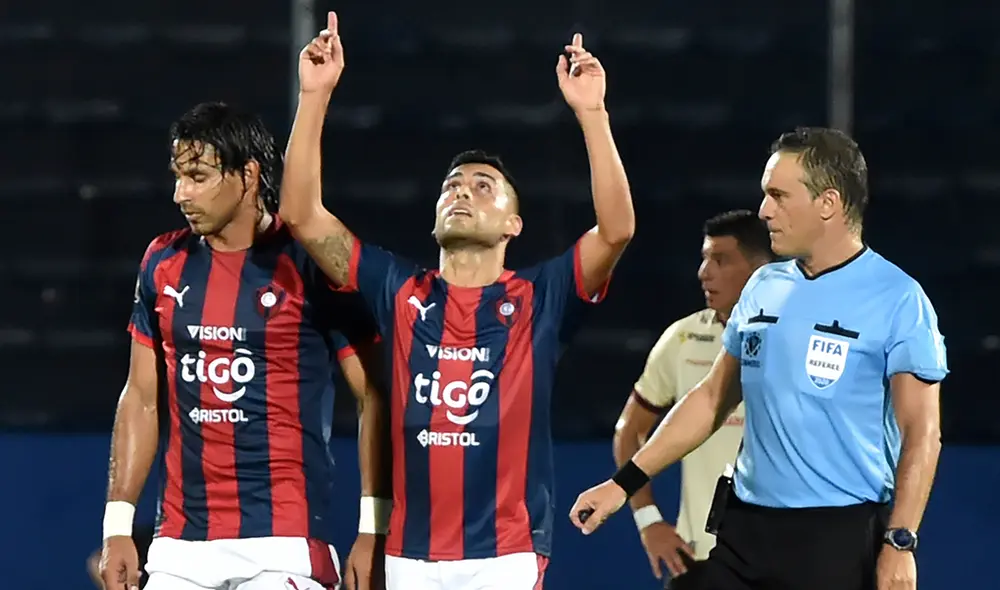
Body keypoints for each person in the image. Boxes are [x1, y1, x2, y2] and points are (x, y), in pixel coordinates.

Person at [280, 12, 634, 590]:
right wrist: (313, 96)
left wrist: (592, 115)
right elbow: (301, 216)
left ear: (513, 224)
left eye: (482, 187)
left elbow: (616, 229)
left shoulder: (540, 297)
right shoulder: (397, 289)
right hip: (409, 555)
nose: (462, 191)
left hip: (506, 555)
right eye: (452, 186)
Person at [570, 127, 948, 590]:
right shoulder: (764, 286)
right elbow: (711, 399)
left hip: (836, 540)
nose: (765, 210)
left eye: (779, 196)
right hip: (743, 533)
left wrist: (900, 542)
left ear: (828, 204)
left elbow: (922, 434)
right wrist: (623, 483)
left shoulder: (899, 299)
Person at [99, 102, 391, 590]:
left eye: (197, 176)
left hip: (284, 547)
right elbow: (142, 398)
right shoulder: (162, 261)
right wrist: (117, 527)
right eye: (177, 176)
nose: (180, 194)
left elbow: (374, 394)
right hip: (179, 549)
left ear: (248, 174)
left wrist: (372, 526)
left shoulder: (309, 264)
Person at [614, 210, 772, 584]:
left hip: (782, 557)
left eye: (720, 260)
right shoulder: (682, 338)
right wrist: (648, 520)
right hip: (701, 561)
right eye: (704, 258)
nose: (704, 272)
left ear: (761, 268)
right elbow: (630, 430)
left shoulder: (799, 338)